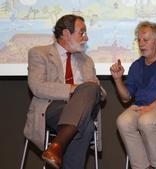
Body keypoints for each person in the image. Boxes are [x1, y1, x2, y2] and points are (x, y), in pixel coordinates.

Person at [23, 14, 106, 169]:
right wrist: (74, 89)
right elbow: (37, 86)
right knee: (86, 126)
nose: (86, 38)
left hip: (84, 106)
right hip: (53, 107)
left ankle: (56, 147)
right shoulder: (39, 53)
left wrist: (92, 90)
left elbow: (99, 92)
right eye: (82, 32)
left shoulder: (86, 60)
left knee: (91, 88)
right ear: (66, 34)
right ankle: (58, 148)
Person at [110, 21, 156, 169]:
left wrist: (150, 107)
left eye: (145, 40)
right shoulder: (137, 65)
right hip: (141, 107)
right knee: (123, 121)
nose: (141, 43)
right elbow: (126, 97)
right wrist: (118, 79)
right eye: (139, 40)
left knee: (147, 121)